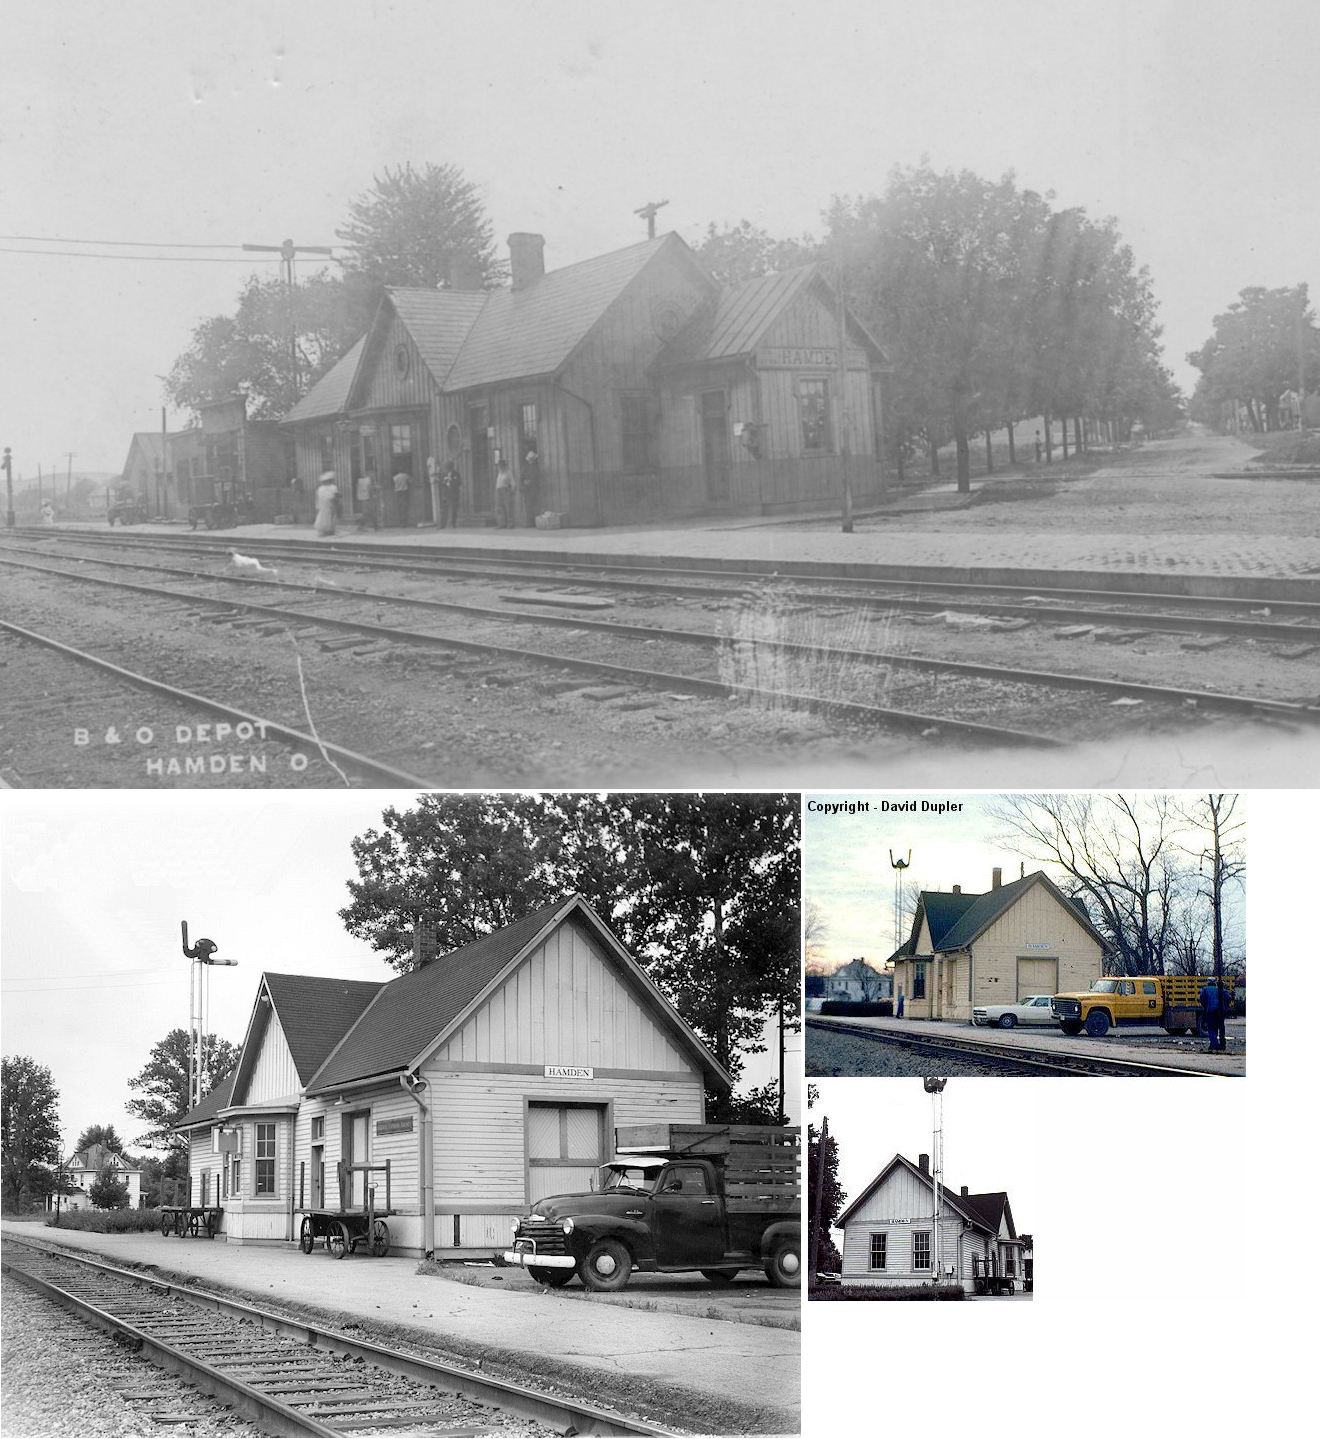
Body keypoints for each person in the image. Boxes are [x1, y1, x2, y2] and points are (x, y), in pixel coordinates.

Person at [1200, 976, 1227, 1053]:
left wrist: (1205, 1006)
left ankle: (1214, 1044)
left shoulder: (1205, 989)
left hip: (1210, 1010)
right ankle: (1219, 1043)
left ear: (1208, 982)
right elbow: (1228, 997)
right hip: (1221, 1011)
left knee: (1211, 1028)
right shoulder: (1220, 989)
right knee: (1219, 1027)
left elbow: (1202, 999)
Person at [519, 443, 540, 526]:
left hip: (531, 488)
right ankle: (531, 522)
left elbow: (521, 477)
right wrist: (524, 482)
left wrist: (524, 482)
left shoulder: (528, 467)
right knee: (531, 505)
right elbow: (521, 477)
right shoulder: (529, 467)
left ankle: (531, 522)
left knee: (530, 505)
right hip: (530, 488)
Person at [314, 471, 339, 537]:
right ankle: (328, 530)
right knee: (330, 516)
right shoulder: (333, 487)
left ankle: (325, 530)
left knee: (324, 515)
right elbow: (334, 496)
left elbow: (317, 497)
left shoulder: (320, 488)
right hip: (329, 502)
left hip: (324, 503)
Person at [494, 453, 514, 528]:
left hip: (506, 490)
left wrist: (512, 491)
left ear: (504, 466)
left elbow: (513, 482)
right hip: (499, 490)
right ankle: (501, 523)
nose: (500, 467)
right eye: (499, 466)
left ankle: (510, 523)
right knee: (500, 508)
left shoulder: (508, 472)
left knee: (508, 507)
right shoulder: (499, 473)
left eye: (501, 466)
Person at [439, 459, 462, 528]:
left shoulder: (456, 474)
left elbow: (459, 483)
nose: (448, 470)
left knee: (454, 509)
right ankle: (442, 525)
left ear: (452, 467)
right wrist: (444, 482)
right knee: (444, 510)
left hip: (454, 494)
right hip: (446, 494)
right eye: (447, 468)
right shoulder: (443, 474)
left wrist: (451, 481)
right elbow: (440, 483)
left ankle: (453, 523)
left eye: (449, 468)